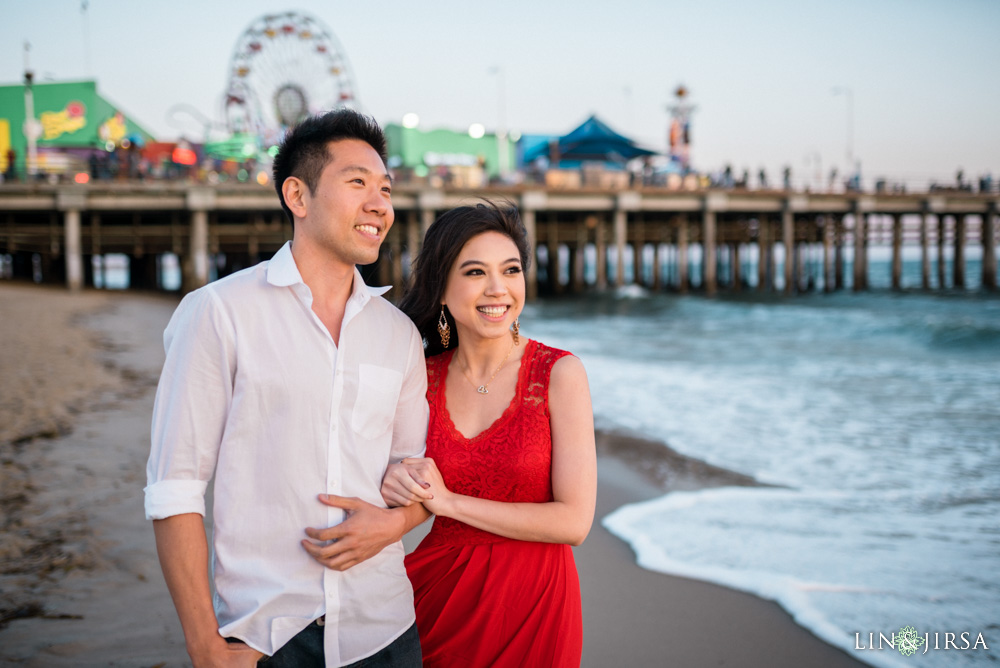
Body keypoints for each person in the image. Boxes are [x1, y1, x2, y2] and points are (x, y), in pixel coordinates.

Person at [145, 109, 429, 668]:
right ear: (297, 196)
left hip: (386, 632)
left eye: (386, 189)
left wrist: (396, 522)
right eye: (357, 184)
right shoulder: (219, 313)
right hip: (267, 636)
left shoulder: (398, 334)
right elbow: (175, 486)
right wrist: (204, 643)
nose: (380, 205)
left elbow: (412, 470)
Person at [381, 201, 597, 667]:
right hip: (437, 600)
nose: (498, 289)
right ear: (441, 288)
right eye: (475, 272)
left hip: (535, 606)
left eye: (511, 270)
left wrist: (450, 503)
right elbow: (393, 476)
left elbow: (574, 523)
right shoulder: (419, 375)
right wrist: (394, 482)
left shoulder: (559, 373)